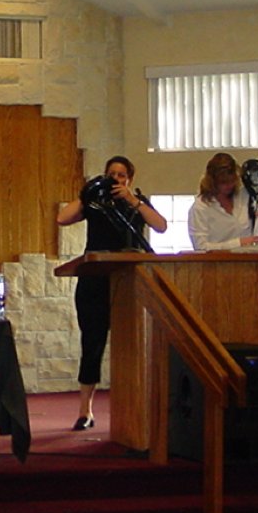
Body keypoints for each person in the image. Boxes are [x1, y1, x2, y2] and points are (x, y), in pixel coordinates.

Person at [55, 156, 167, 431]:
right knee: (92, 344)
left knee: (132, 345)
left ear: (129, 179)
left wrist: (133, 200)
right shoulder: (95, 203)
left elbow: (161, 226)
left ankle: (135, 405)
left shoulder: (136, 203)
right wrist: (87, 193)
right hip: (94, 282)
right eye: (111, 174)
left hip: (128, 283)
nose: (116, 179)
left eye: (121, 175)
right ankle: (85, 410)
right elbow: (62, 218)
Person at [188, 151, 258, 251]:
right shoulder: (200, 208)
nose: (229, 185)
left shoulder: (245, 195)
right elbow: (201, 247)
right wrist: (238, 243)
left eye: (232, 180)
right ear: (212, 182)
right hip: (218, 260)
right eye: (223, 182)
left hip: (250, 257)